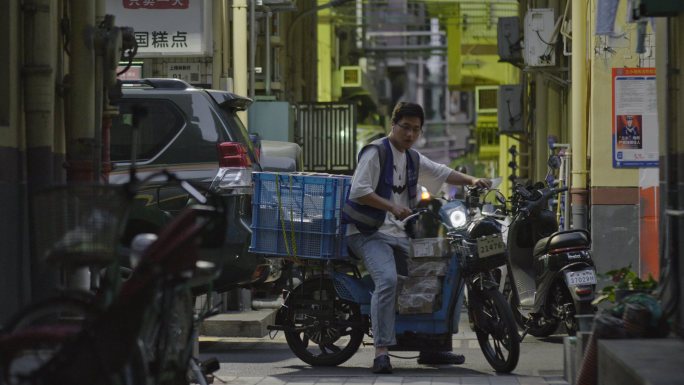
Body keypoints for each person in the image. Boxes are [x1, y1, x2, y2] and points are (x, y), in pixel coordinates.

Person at [341, 102, 492, 374]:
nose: (410, 134)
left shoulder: (412, 157)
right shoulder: (376, 152)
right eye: (405, 127)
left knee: (439, 275)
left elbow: (442, 172)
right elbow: (359, 191)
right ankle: (381, 352)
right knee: (386, 280)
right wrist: (392, 207)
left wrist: (473, 180)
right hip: (367, 233)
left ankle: (433, 347)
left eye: (416, 130)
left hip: (399, 234)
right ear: (393, 124)